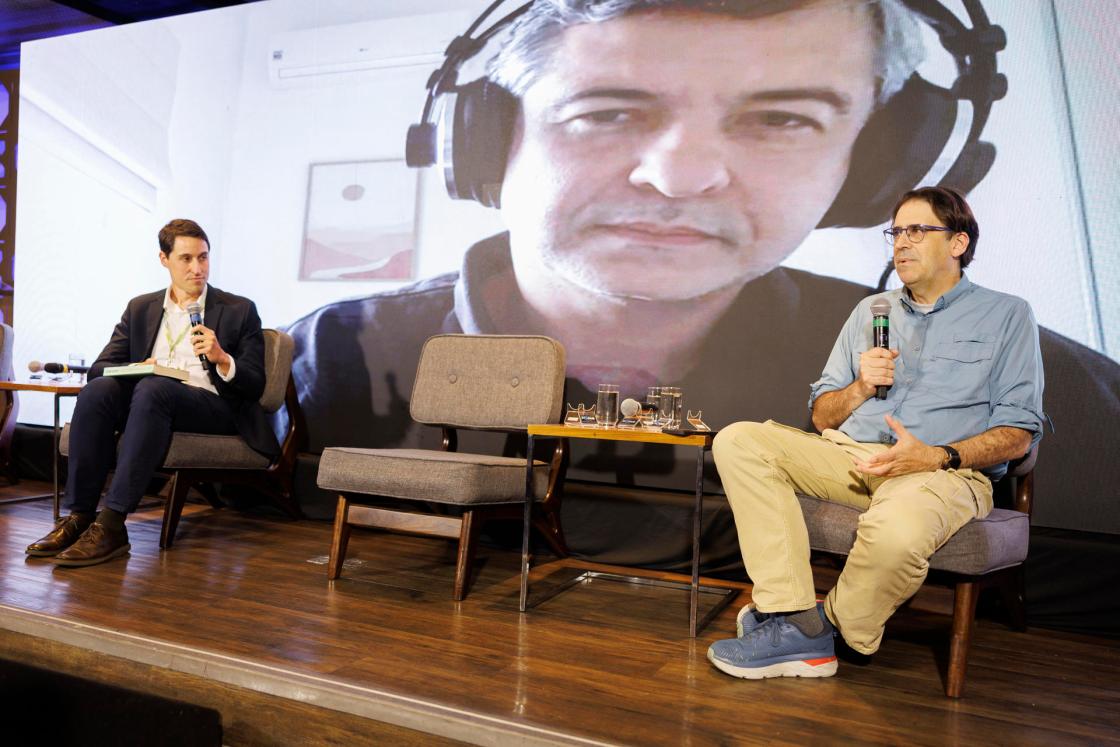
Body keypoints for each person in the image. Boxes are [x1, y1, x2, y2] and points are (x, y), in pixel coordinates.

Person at [286, 0, 1117, 558]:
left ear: (872, 161)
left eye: (783, 118)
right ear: (486, 139)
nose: (680, 178)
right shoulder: (343, 350)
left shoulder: (1074, 393)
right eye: (605, 112)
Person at [706, 186, 1043, 678]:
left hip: (942, 472)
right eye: (896, 232)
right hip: (851, 457)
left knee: (898, 532)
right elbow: (823, 416)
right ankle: (795, 615)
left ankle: (819, 631)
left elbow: (1019, 433)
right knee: (738, 439)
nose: (901, 243)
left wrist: (935, 457)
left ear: (958, 243)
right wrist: (862, 386)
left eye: (917, 231)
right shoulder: (872, 311)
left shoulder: (1007, 315)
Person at [25, 219, 278, 567]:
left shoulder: (238, 309)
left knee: (155, 389)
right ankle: (80, 517)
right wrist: (138, 368)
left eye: (203, 258)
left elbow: (254, 384)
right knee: (99, 391)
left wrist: (222, 358)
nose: (197, 269)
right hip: (151, 398)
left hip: (214, 407)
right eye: (186, 259)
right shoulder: (141, 308)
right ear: (164, 259)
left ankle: (112, 525)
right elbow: (100, 367)